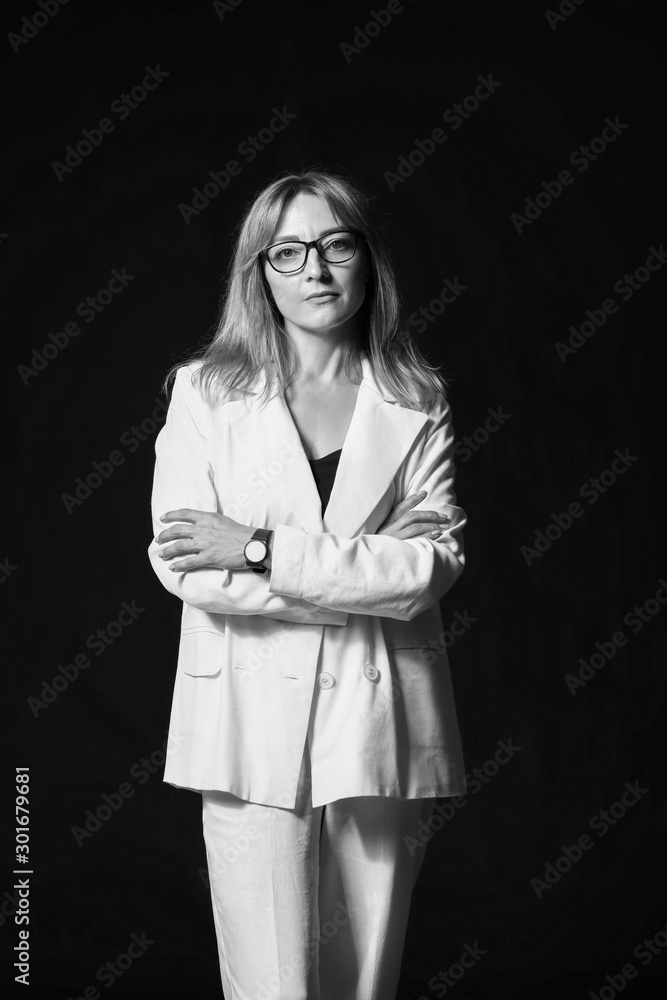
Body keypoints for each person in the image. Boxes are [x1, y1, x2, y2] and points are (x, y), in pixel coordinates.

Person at [147, 168, 467, 1000]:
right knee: (271, 981)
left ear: (366, 259)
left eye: (334, 245)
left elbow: (430, 569)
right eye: (287, 252)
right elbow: (186, 566)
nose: (314, 270)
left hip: (378, 715)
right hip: (246, 721)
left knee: (366, 977)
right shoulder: (205, 393)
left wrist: (252, 548)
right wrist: (364, 572)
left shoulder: (416, 399)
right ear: (259, 271)